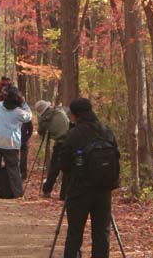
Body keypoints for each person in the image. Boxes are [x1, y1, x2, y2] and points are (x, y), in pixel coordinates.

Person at [59, 97, 120, 258]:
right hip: (104, 190)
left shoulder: (74, 134)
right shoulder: (106, 131)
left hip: (79, 190)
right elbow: (116, 157)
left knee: (75, 233)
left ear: (75, 115)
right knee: (101, 234)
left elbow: (64, 164)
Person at [0, 85, 31, 198]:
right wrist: (25, 104)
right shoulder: (18, 112)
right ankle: (18, 193)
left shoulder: (0, 106)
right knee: (13, 169)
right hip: (10, 143)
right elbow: (29, 117)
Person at [35, 100, 70, 198]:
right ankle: (64, 194)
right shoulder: (60, 111)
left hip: (60, 143)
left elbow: (41, 132)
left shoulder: (44, 119)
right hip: (70, 142)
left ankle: (47, 190)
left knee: (54, 169)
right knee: (67, 169)